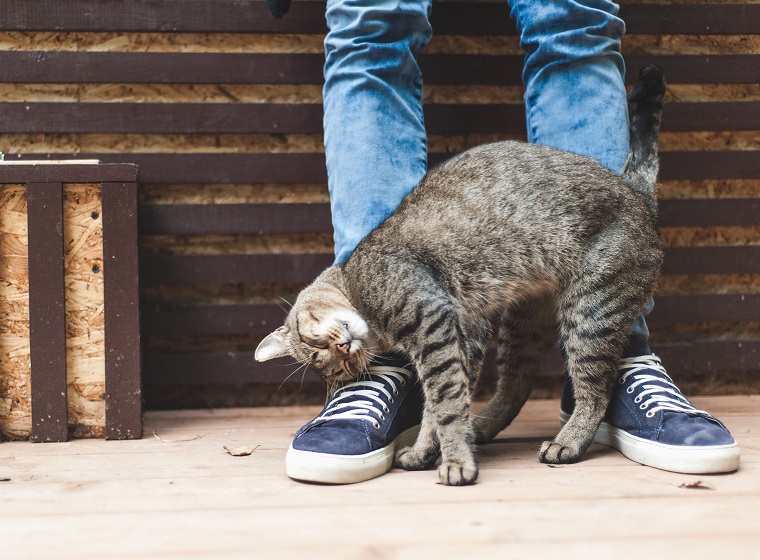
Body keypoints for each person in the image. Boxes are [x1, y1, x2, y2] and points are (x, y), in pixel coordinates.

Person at [284, 0, 740, 484]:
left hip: (590, 234)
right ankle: (394, 379)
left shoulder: (372, 275)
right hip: (520, 252)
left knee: (571, 16)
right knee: (370, 21)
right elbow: (459, 332)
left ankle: (611, 372)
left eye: (320, 348)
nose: (335, 349)